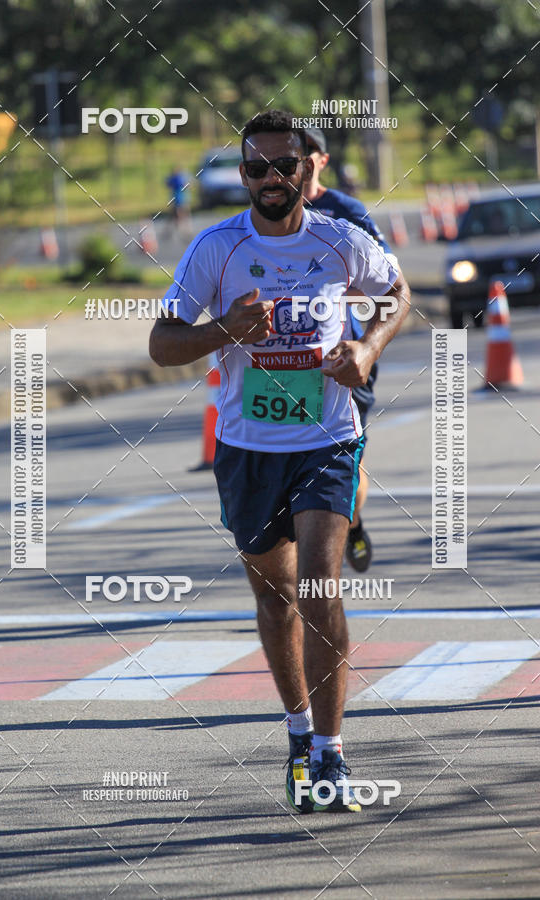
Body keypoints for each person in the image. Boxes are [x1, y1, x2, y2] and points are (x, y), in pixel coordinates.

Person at [150, 110, 410, 813]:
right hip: (247, 450)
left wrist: (367, 349)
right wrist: (223, 331)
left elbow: (396, 293)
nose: (271, 178)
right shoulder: (216, 249)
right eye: (256, 168)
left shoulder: (339, 239)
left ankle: (331, 753)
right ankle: (297, 733)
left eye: (283, 166)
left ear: (307, 169)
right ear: (244, 175)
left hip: (327, 440)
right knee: (276, 596)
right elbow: (162, 344)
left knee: (322, 588)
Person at [303, 126, 396, 574]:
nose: (290, 167)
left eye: (303, 156)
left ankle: (351, 524)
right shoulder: (264, 213)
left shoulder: (344, 211)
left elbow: (389, 279)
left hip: (343, 355)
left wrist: (337, 298)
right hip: (282, 363)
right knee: (285, 462)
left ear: (321, 160)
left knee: (340, 457)